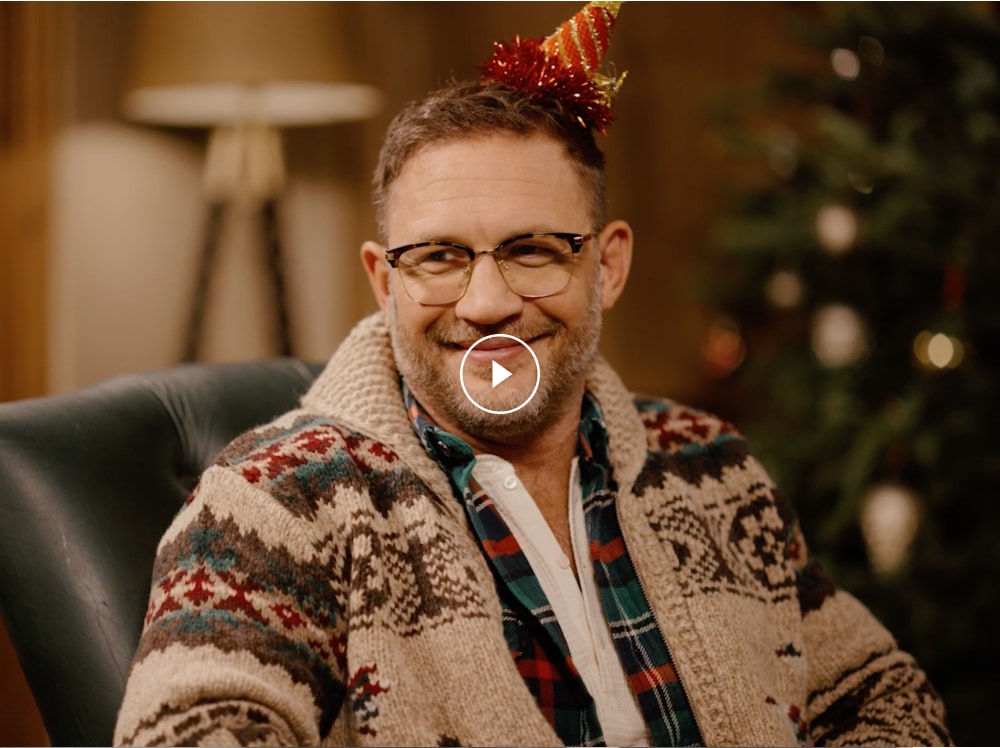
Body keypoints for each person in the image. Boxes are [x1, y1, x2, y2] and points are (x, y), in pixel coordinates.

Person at [114, 3, 950, 746]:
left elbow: (882, 696)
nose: (485, 304)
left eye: (532, 251)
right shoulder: (275, 500)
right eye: (438, 256)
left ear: (608, 266)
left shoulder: (712, 467)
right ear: (383, 279)